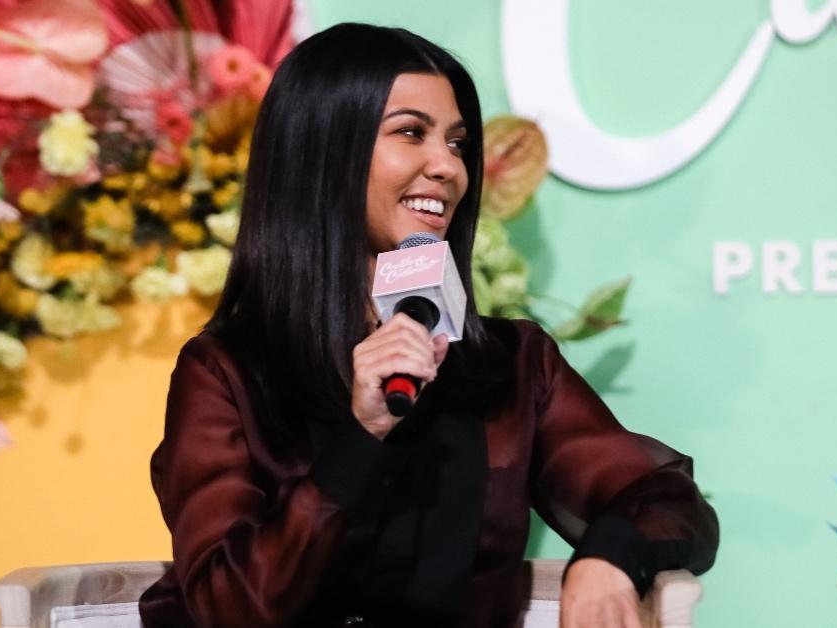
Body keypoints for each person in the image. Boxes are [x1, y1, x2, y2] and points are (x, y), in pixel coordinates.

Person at [138, 23, 718, 628]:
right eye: (411, 133)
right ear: (324, 153)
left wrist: (607, 561)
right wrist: (361, 436)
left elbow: (667, 499)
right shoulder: (226, 372)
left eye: (457, 143)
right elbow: (230, 605)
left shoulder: (512, 364)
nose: (447, 166)